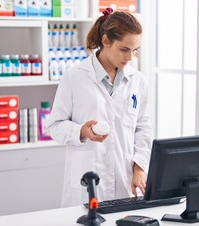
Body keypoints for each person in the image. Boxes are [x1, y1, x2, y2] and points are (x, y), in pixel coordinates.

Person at [46, 8, 152, 207]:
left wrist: (139, 167)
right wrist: (81, 131)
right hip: (87, 180)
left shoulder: (138, 81)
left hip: (125, 179)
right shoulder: (74, 77)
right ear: (105, 41)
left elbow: (143, 128)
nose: (130, 57)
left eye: (135, 50)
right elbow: (54, 126)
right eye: (124, 49)